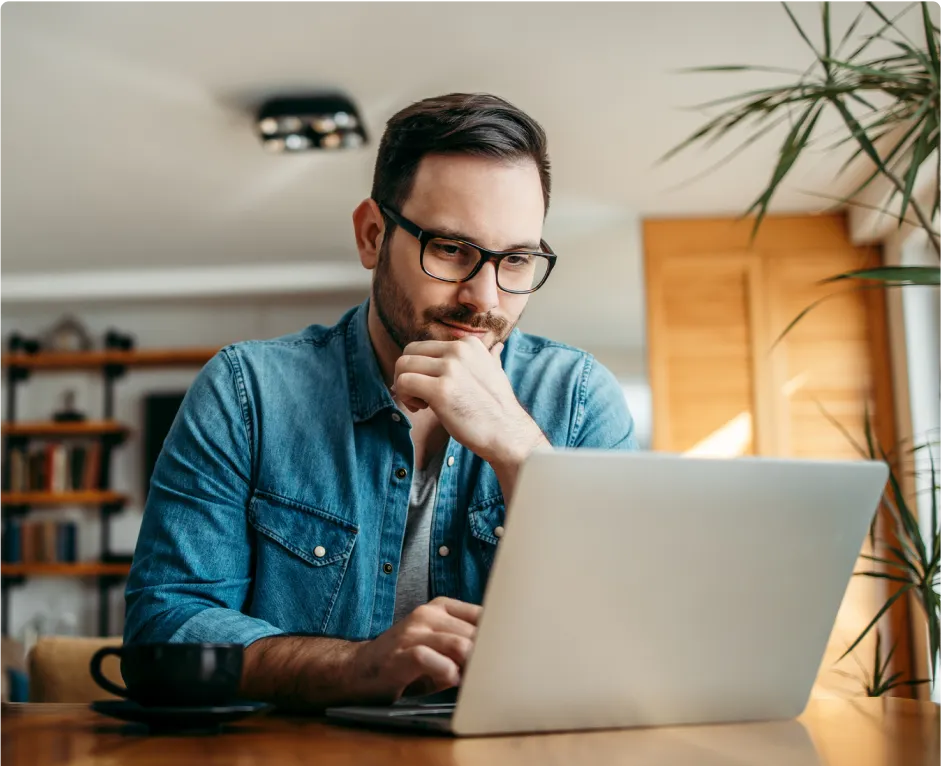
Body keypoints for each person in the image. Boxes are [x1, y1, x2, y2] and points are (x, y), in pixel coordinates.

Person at [124, 92, 637, 709]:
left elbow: (631, 642)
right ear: (372, 236)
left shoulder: (580, 400)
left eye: (517, 260)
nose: (486, 298)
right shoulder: (246, 393)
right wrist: (357, 667)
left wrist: (521, 453)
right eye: (451, 249)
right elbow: (166, 629)